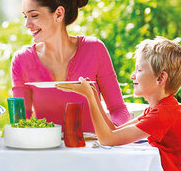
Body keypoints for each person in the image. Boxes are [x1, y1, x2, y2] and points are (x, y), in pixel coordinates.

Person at [11, 0, 131, 132]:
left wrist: (109, 132)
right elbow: (20, 122)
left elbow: (119, 110)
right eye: (24, 16)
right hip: (47, 152)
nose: (27, 25)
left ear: (59, 14)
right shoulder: (22, 60)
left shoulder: (94, 50)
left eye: (34, 16)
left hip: (95, 151)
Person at [57, 37, 181, 171]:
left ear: (160, 78)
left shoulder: (162, 115)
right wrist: (94, 96)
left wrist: (89, 97)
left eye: (139, 70)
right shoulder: (159, 109)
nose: (132, 76)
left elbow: (107, 139)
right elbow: (114, 131)